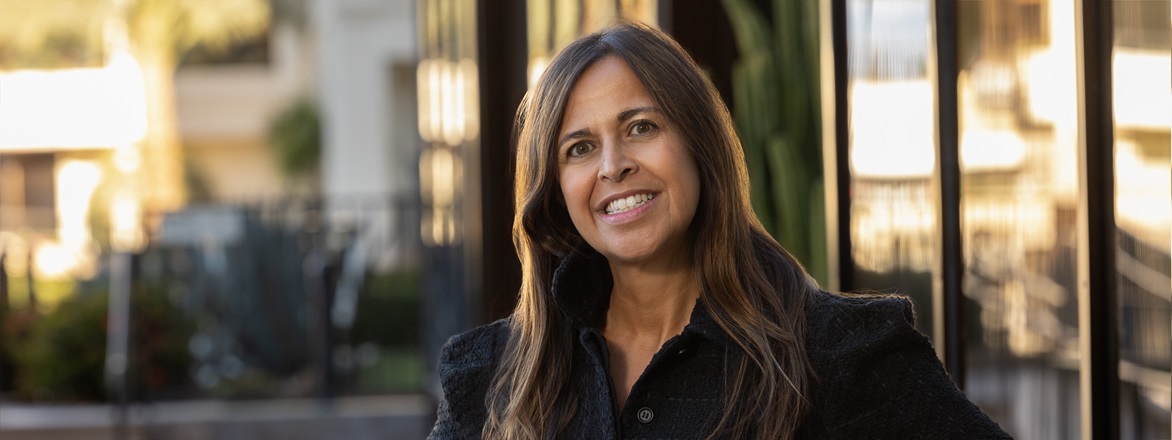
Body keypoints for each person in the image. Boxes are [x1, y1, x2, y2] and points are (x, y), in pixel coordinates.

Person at [429, 21, 1009, 440]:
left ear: (698, 144)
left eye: (641, 126)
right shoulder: (494, 376)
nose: (612, 165)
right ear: (556, 188)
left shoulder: (838, 352)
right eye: (579, 148)